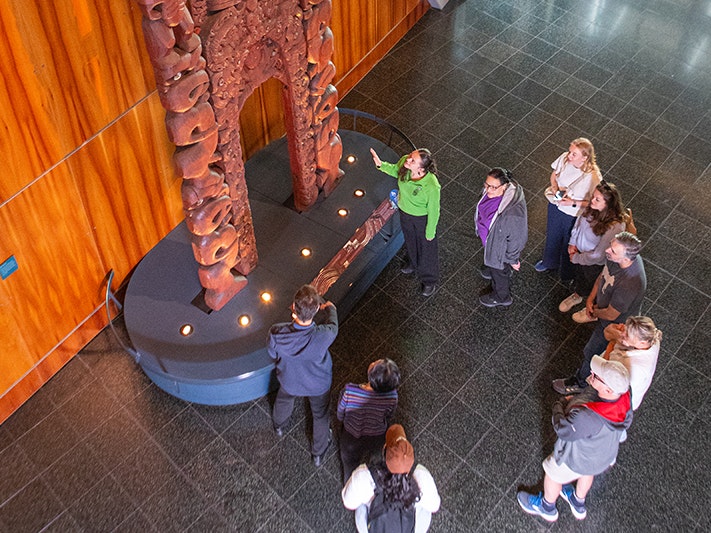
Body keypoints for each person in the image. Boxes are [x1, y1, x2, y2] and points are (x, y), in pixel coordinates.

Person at [517, 356, 633, 522]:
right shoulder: (625, 395)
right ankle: (578, 502)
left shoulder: (588, 417)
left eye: (597, 376)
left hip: (577, 458)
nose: (592, 373)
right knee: (587, 474)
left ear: (608, 390)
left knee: (552, 475)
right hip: (601, 457)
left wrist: (559, 405)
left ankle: (547, 507)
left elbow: (563, 430)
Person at [553, 231, 646, 395]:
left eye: (613, 250)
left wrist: (593, 312)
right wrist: (590, 299)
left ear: (626, 258)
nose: (607, 250)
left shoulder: (630, 283)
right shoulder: (615, 259)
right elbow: (602, 277)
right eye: (611, 245)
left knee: (592, 351)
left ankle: (580, 382)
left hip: (614, 322)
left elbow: (611, 315)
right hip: (602, 310)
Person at [268, 284, 338, 467]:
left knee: (283, 400)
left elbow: (273, 355)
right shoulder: (325, 335)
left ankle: (279, 426)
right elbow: (333, 324)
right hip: (318, 384)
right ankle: (318, 452)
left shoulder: (277, 332)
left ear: (293, 308)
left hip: (289, 380)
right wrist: (330, 309)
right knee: (320, 414)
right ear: (315, 310)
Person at [342, 424, 441, 533]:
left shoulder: (364, 475)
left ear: (384, 451)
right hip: (408, 527)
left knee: (360, 505)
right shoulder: (422, 476)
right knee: (425, 509)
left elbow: (348, 503)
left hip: (377, 525)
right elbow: (434, 506)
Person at [370, 147, 441, 297]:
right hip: (405, 213)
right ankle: (413, 260)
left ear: (421, 168)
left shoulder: (431, 186)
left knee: (427, 248)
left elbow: (434, 210)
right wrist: (380, 165)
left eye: (412, 160)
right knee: (409, 239)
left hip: (422, 219)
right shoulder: (405, 164)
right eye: (410, 156)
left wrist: (430, 231)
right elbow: (396, 170)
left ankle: (429, 280)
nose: (408, 160)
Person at [535, 138, 602, 278]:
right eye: (570, 151)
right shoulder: (565, 158)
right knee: (552, 235)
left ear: (585, 157)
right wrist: (555, 188)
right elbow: (554, 174)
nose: (569, 156)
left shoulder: (593, 177)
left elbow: (594, 203)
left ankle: (567, 272)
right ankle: (549, 261)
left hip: (573, 214)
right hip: (556, 205)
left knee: (569, 241)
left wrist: (572, 202)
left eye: (574, 154)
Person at [559, 181, 627, 313]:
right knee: (580, 275)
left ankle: (586, 302)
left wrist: (576, 258)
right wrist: (572, 243)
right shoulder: (591, 208)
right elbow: (578, 225)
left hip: (592, 263)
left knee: (590, 281)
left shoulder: (614, 226)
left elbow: (598, 255)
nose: (592, 201)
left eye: (597, 199)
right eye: (593, 197)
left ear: (608, 205)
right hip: (579, 253)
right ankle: (578, 293)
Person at [338, 358, 401, 483]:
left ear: (371, 375)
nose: (372, 362)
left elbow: (340, 412)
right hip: (377, 436)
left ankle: (350, 486)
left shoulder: (350, 391)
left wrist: (343, 421)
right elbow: (389, 414)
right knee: (377, 463)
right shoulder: (392, 396)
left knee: (349, 464)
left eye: (375, 364)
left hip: (351, 436)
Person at [475, 167, 528, 308]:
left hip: (499, 251)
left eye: (493, 187)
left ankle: (502, 296)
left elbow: (517, 239)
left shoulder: (512, 213)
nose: (488, 190)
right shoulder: (495, 194)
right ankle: (491, 266)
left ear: (504, 187)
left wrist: (512, 259)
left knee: (499, 273)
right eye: (486, 185)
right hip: (492, 243)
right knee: (494, 266)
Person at [603, 316, 662, 411]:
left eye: (627, 335)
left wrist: (611, 345)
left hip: (619, 401)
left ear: (642, 343)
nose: (622, 334)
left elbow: (604, 368)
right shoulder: (652, 338)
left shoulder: (628, 364)